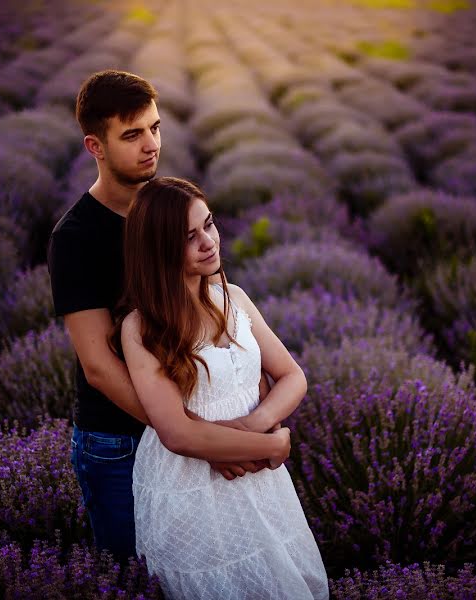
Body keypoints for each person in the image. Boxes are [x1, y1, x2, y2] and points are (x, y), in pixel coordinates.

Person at [47, 70, 274, 565]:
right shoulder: (77, 237)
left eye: (154, 128)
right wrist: (199, 438)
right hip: (122, 441)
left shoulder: (171, 212)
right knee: (142, 577)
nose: (151, 145)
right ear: (95, 145)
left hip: (198, 430)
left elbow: (212, 312)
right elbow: (100, 367)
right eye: (132, 135)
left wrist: (228, 422)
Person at [113, 176, 329, 599]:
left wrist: (258, 425)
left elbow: (292, 375)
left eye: (208, 225)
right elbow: (176, 433)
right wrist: (272, 448)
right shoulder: (142, 328)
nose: (208, 242)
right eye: (189, 237)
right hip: (191, 489)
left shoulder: (235, 298)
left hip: (258, 480)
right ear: (159, 249)